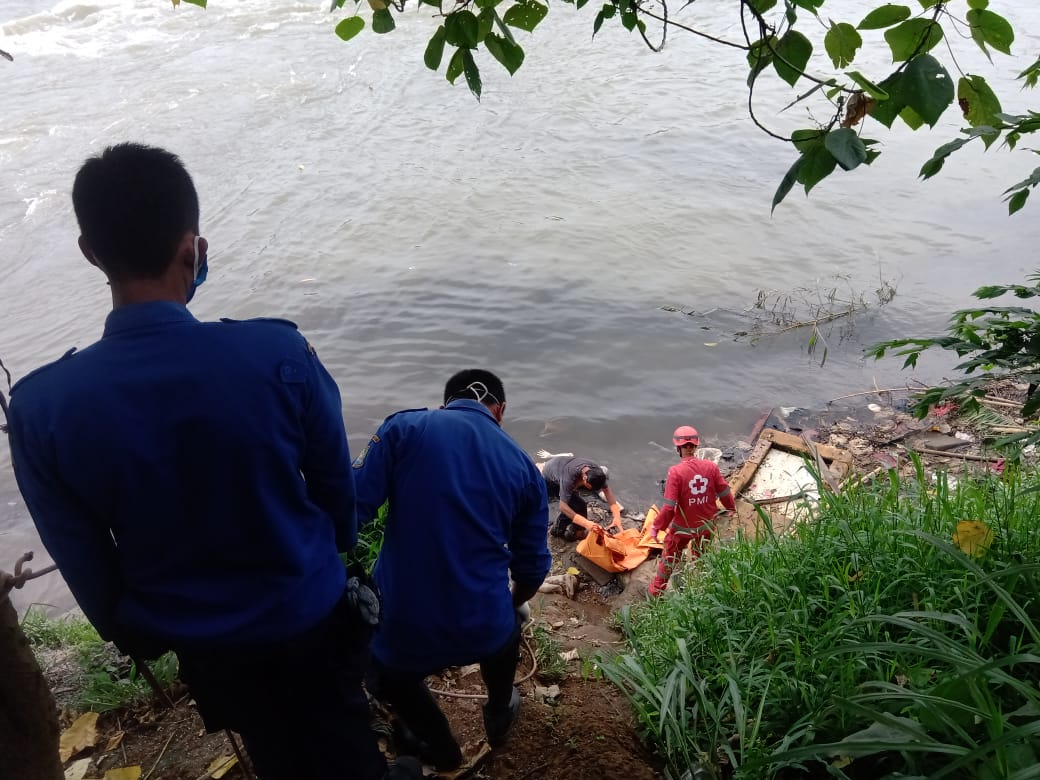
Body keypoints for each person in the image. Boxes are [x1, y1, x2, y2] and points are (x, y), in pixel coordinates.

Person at [5, 143, 419, 780]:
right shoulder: (278, 355)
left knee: (269, 741)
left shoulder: (41, 409)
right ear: (193, 249)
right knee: (340, 732)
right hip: (306, 612)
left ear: (91, 253)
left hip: (200, 640)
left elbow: (86, 558)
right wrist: (335, 556)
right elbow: (336, 487)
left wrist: (133, 628)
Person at [353, 369, 551, 771]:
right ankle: (497, 714)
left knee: (381, 671)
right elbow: (531, 569)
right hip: (482, 628)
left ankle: (440, 746)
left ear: (446, 402)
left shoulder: (403, 428)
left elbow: (349, 512)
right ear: (501, 410)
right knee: (508, 625)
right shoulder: (523, 467)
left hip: (403, 630)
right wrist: (512, 603)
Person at [647, 426, 736, 597]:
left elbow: (668, 508)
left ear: (678, 448)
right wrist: (730, 507)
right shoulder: (710, 467)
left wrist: (656, 526)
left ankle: (655, 593)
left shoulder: (675, 472)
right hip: (706, 526)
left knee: (669, 560)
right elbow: (724, 491)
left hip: (682, 529)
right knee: (701, 555)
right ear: (696, 447)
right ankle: (701, 586)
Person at [539, 455, 624, 541]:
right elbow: (563, 507)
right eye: (590, 487)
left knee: (575, 504)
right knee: (578, 505)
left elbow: (607, 491)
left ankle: (562, 530)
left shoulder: (597, 472)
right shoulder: (568, 479)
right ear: (584, 478)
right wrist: (587, 524)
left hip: (564, 467)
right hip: (550, 478)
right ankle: (566, 532)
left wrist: (616, 515)